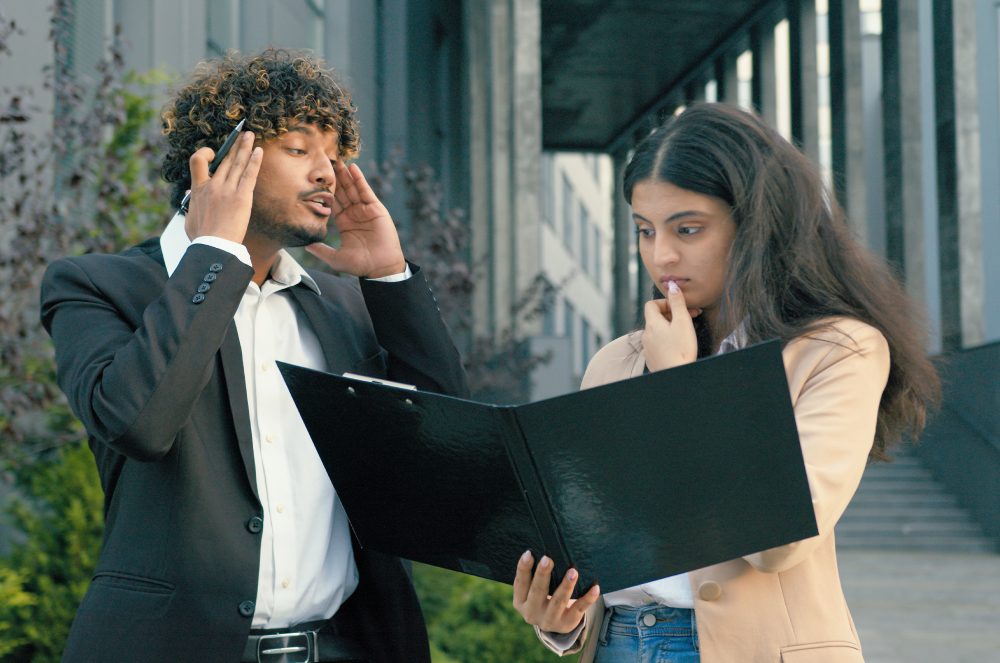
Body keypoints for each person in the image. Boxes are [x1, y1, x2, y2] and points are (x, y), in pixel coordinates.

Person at [40, 48, 467, 663]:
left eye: (334, 154)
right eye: (299, 149)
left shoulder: (342, 309)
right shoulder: (96, 287)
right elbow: (140, 423)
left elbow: (440, 449)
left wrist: (389, 279)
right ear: (216, 160)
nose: (327, 173)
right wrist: (213, 251)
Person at [511, 102, 940, 662]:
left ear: (756, 227)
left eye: (688, 229)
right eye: (645, 231)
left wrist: (681, 385)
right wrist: (562, 615)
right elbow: (598, 543)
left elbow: (781, 542)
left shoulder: (838, 350)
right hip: (618, 644)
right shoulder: (616, 362)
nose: (662, 255)